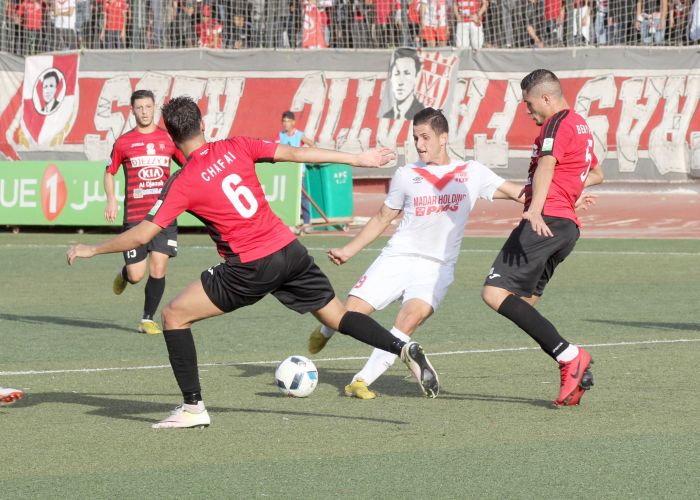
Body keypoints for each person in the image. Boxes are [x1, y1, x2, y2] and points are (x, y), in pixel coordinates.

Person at [67, 96, 439, 429]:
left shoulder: (182, 182)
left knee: (174, 317)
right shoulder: (236, 145)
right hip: (290, 251)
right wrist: (358, 158)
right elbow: (295, 155)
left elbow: (142, 235)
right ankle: (401, 347)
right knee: (338, 316)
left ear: (171, 137)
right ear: (204, 127)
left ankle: (194, 407)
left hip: (249, 267)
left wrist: (93, 249)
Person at [307, 107, 526, 399]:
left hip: (436, 268)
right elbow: (383, 217)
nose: (420, 144)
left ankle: (360, 380)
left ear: (444, 138)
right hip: (398, 257)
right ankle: (325, 331)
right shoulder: (406, 174)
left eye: (425, 137)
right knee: (348, 317)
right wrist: (348, 250)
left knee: (409, 319)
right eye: (415, 138)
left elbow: (518, 193)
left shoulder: (471, 172)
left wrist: (565, 200)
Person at [481, 69, 604, 407]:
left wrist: (535, 209)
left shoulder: (557, 122)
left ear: (547, 98)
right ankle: (573, 368)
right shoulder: (581, 125)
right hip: (566, 227)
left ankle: (571, 356)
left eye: (529, 102)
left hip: (546, 220)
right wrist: (571, 193)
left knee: (494, 292)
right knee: (522, 303)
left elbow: (548, 165)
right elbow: (595, 172)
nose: (527, 110)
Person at [104, 89, 187, 335]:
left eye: (148, 107)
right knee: (136, 274)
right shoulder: (124, 142)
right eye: (139, 108)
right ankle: (125, 274)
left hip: (164, 215)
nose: (144, 112)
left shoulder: (169, 139)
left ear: (155, 108)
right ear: (133, 110)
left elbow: (190, 164)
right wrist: (111, 200)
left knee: (158, 268)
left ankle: (147, 319)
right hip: (135, 218)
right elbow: (109, 172)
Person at [278, 111, 315, 234]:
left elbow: (312, 145)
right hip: (286, 173)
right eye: (284, 121)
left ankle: (307, 222)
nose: (286, 124)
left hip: (299, 172)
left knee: (303, 197)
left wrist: (307, 156)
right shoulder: (281, 136)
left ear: (293, 122)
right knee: (288, 198)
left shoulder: (299, 135)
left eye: (288, 121)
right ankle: (290, 222)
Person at [383, 48, 424, 121]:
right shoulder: (387, 115)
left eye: (407, 74)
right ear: (391, 77)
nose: (400, 82)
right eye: (397, 73)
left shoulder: (423, 113)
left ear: (416, 77)